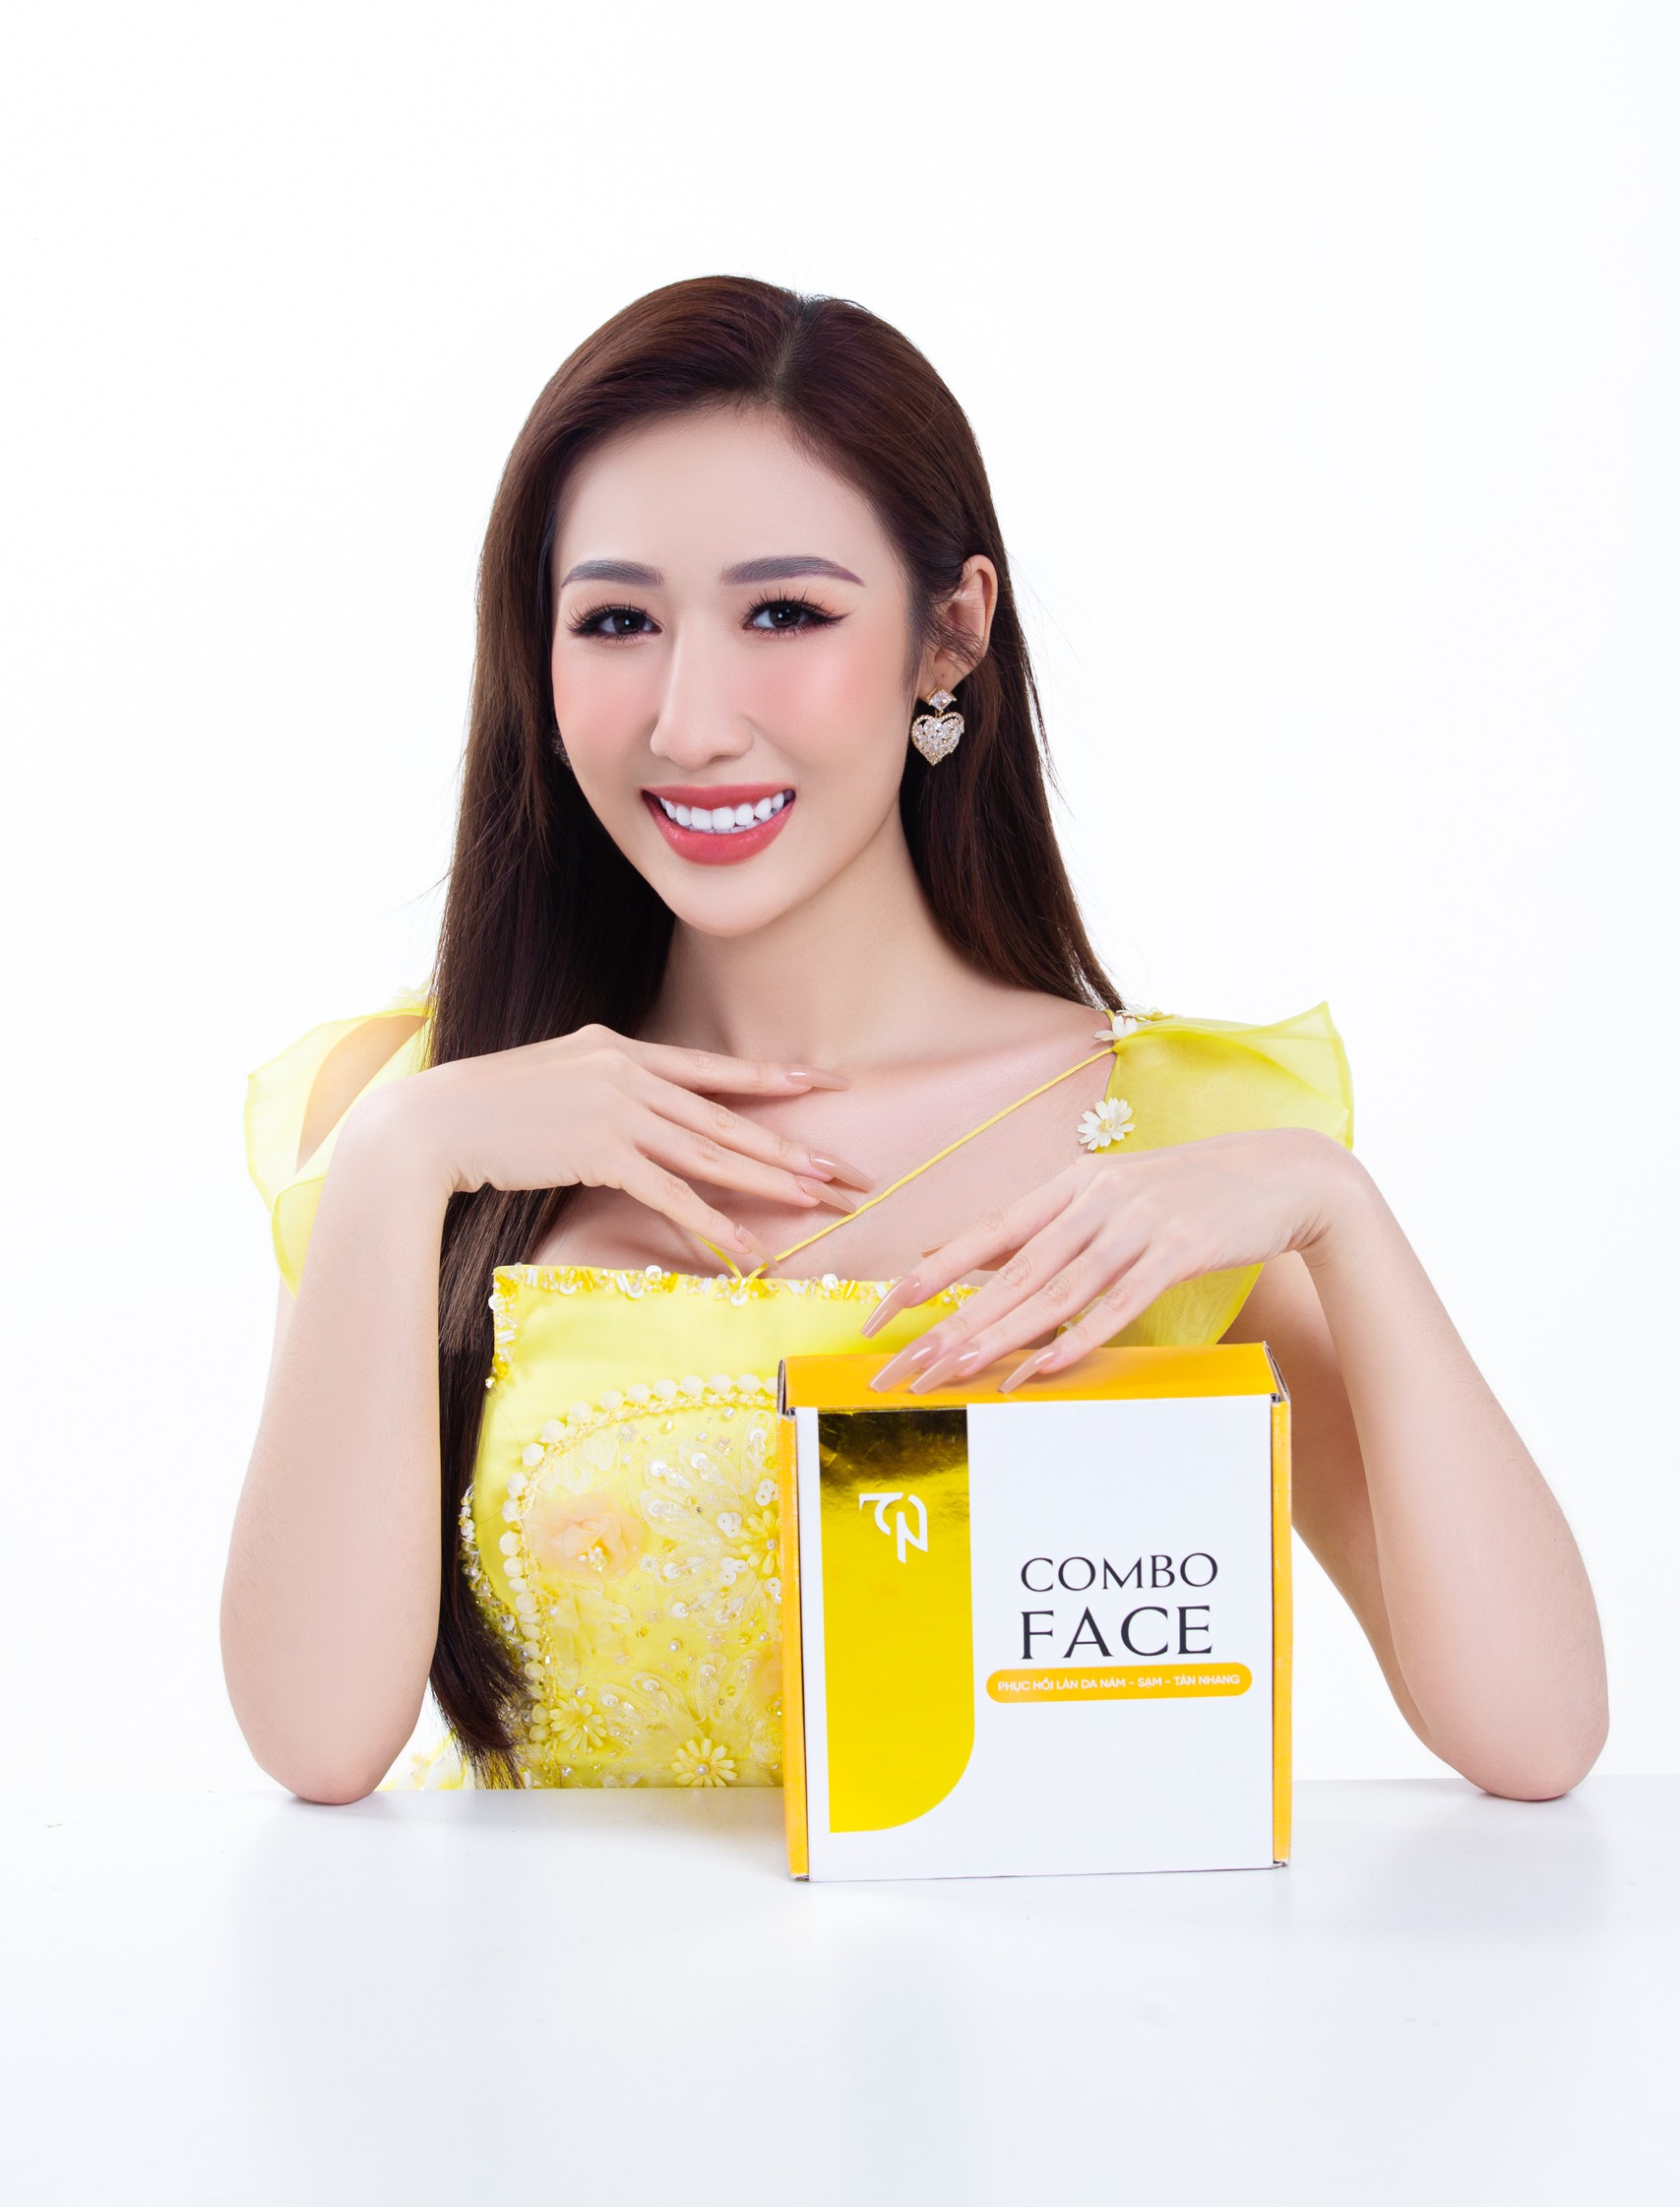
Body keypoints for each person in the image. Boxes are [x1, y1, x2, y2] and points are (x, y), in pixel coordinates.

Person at [223, 277, 1607, 1805]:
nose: (689, 720)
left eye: (784, 614)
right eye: (616, 621)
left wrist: (1340, 1211)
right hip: (525, 1970)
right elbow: (317, 1743)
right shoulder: (415, 1115)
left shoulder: (1175, 1137)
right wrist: (400, 1159)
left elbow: (1533, 1736)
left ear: (950, 635)